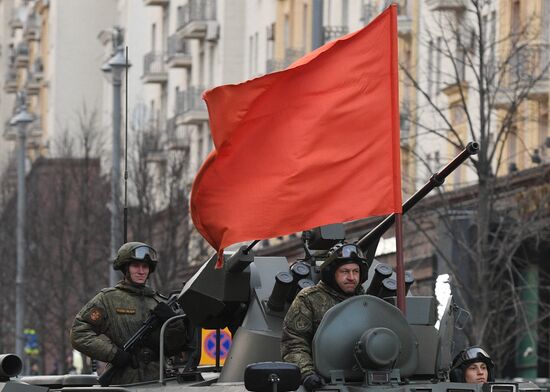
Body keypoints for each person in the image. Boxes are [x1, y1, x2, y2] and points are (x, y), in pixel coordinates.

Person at [70, 242, 188, 385]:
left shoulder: (159, 302)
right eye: (135, 266)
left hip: (159, 380)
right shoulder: (109, 299)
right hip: (124, 380)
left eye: (145, 267)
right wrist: (113, 354)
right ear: (126, 268)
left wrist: (173, 322)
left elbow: (174, 348)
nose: (141, 271)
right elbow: (79, 333)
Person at [281, 242, 368, 391]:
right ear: (331, 272)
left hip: (364, 381)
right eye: (345, 271)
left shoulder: (365, 301)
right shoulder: (309, 299)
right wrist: (307, 373)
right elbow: (294, 343)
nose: (351, 277)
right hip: (324, 382)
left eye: (356, 271)